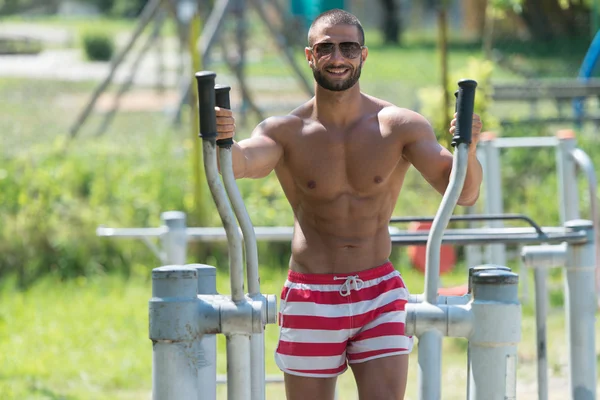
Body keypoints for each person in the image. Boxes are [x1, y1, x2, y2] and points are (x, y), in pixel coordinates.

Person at [214, 8, 483, 400]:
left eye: (348, 47)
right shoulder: (285, 131)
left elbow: (465, 192)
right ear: (310, 56)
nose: (337, 58)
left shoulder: (399, 126)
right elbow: (241, 163)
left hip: (379, 291)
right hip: (310, 293)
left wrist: (468, 147)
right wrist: (220, 139)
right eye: (326, 48)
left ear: (363, 54)